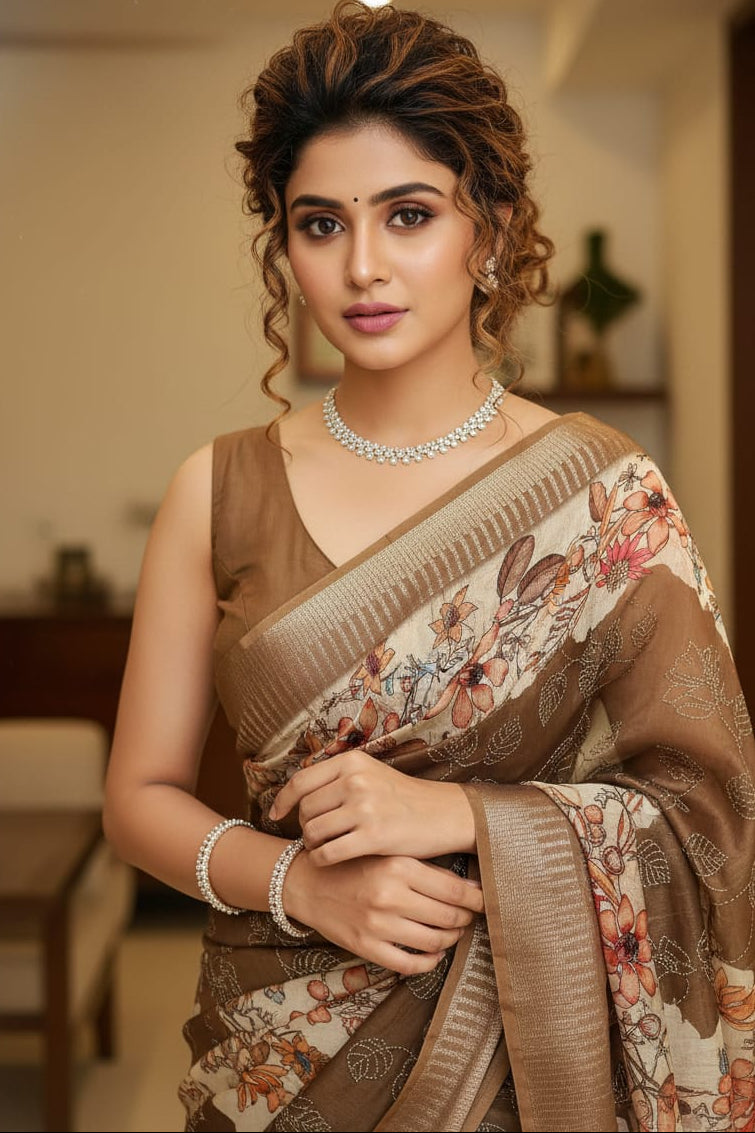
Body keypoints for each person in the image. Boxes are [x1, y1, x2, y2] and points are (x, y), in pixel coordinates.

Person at [103, 3, 755, 1130]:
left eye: (407, 215)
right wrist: (295, 879)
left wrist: (457, 815)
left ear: (487, 230)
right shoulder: (214, 488)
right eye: (318, 224)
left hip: (535, 1072)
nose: (362, 267)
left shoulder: (602, 491)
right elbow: (137, 798)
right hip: (283, 1059)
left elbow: (710, 814)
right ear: (284, 244)